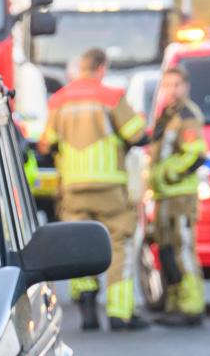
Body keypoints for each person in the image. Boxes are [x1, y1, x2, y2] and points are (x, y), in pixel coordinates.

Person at [39, 47, 149, 330]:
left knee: (80, 246)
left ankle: (87, 308)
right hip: (110, 187)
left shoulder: (59, 99)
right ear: (102, 68)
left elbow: (46, 144)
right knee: (119, 245)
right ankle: (120, 313)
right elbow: (137, 135)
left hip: (73, 189)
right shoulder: (111, 96)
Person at [147, 66, 207, 327]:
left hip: (180, 196)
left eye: (176, 85)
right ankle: (175, 305)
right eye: (167, 86)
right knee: (167, 251)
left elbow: (197, 155)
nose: (171, 91)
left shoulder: (187, 116)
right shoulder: (167, 116)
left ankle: (192, 306)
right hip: (165, 196)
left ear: (186, 87)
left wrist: (169, 175)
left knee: (182, 250)